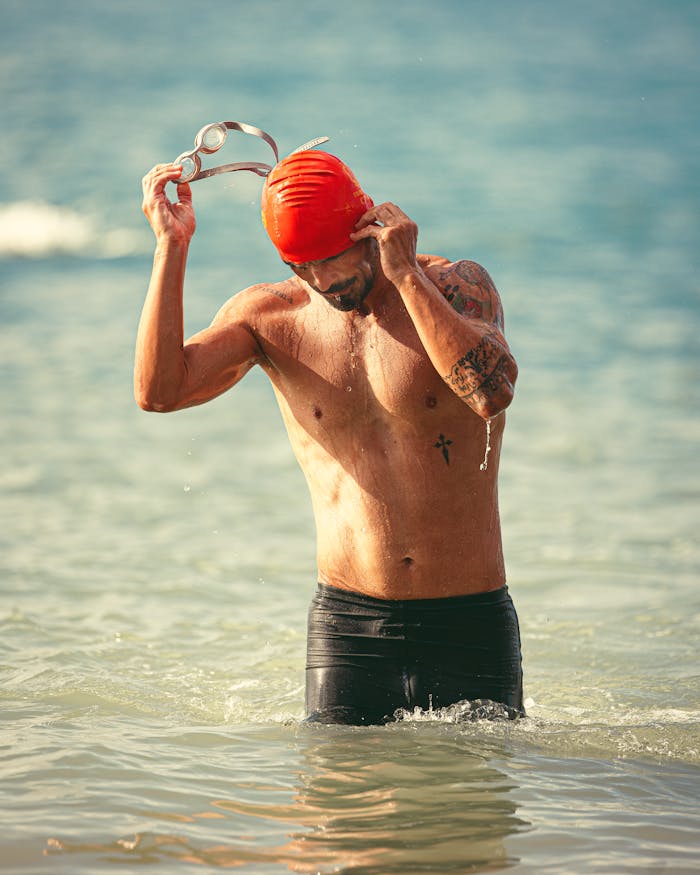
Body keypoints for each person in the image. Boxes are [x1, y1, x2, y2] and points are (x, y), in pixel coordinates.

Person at [137, 145, 524, 725]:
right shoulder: (272, 316)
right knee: (338, 812)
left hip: (469, 622)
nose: (324, 280)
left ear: (370, 226)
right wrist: (172, 247)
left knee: (473, 814)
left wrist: (406, 275)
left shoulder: (455, 286)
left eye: (335, 258)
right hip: (348, 629)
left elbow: (490, 393)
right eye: (304, 266)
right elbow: (160, 392)